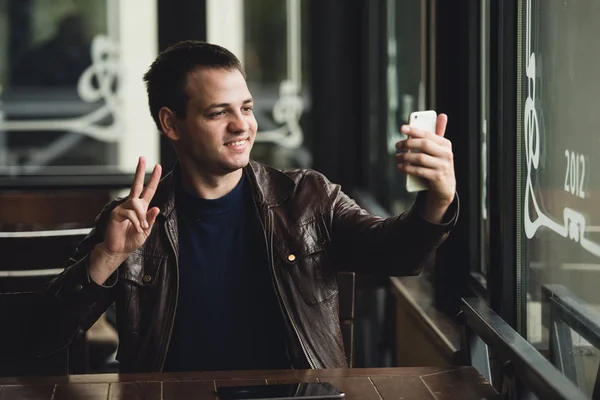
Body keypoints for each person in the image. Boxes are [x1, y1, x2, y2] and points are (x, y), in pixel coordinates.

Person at [31, 41, 458, 373]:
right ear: (171, 123)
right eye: (220, 113)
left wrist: (437, 197)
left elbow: (399, 253)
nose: (242, 125)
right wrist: (107, 259)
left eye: (247, 108)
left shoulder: (308, 198)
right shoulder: (134, 220)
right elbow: (45, 334)